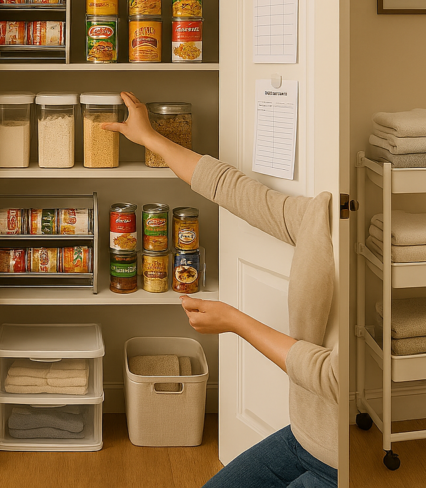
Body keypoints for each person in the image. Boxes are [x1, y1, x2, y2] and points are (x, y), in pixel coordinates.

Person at [104, 92, 338, 488]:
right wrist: (149, 137)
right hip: (305, 437)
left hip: (348, 459)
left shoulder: (388, 267)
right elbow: (230, 187)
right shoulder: (320, 217)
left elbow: (332, 376)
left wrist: (235, 321)